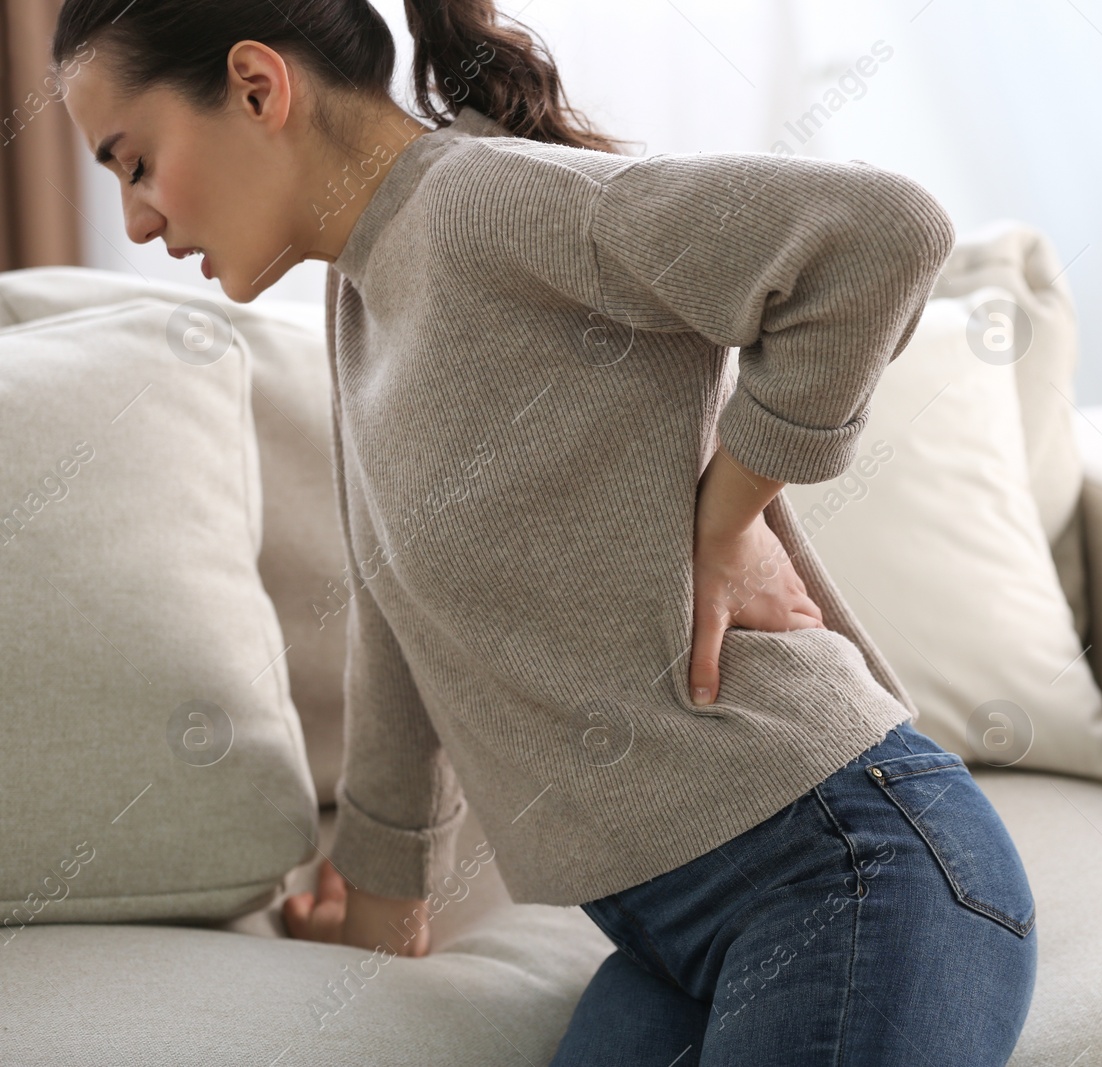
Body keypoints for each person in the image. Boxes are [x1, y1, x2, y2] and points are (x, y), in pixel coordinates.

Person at [52, 1, 1037, 1062]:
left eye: (136, 162)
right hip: (670, 936)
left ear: (257, 87)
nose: (138, 221)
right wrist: (385, 905)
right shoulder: (364, 302)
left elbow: (880, 232)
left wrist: (728, 510)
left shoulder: (484, 203)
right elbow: (390, 613)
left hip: (844, 866)